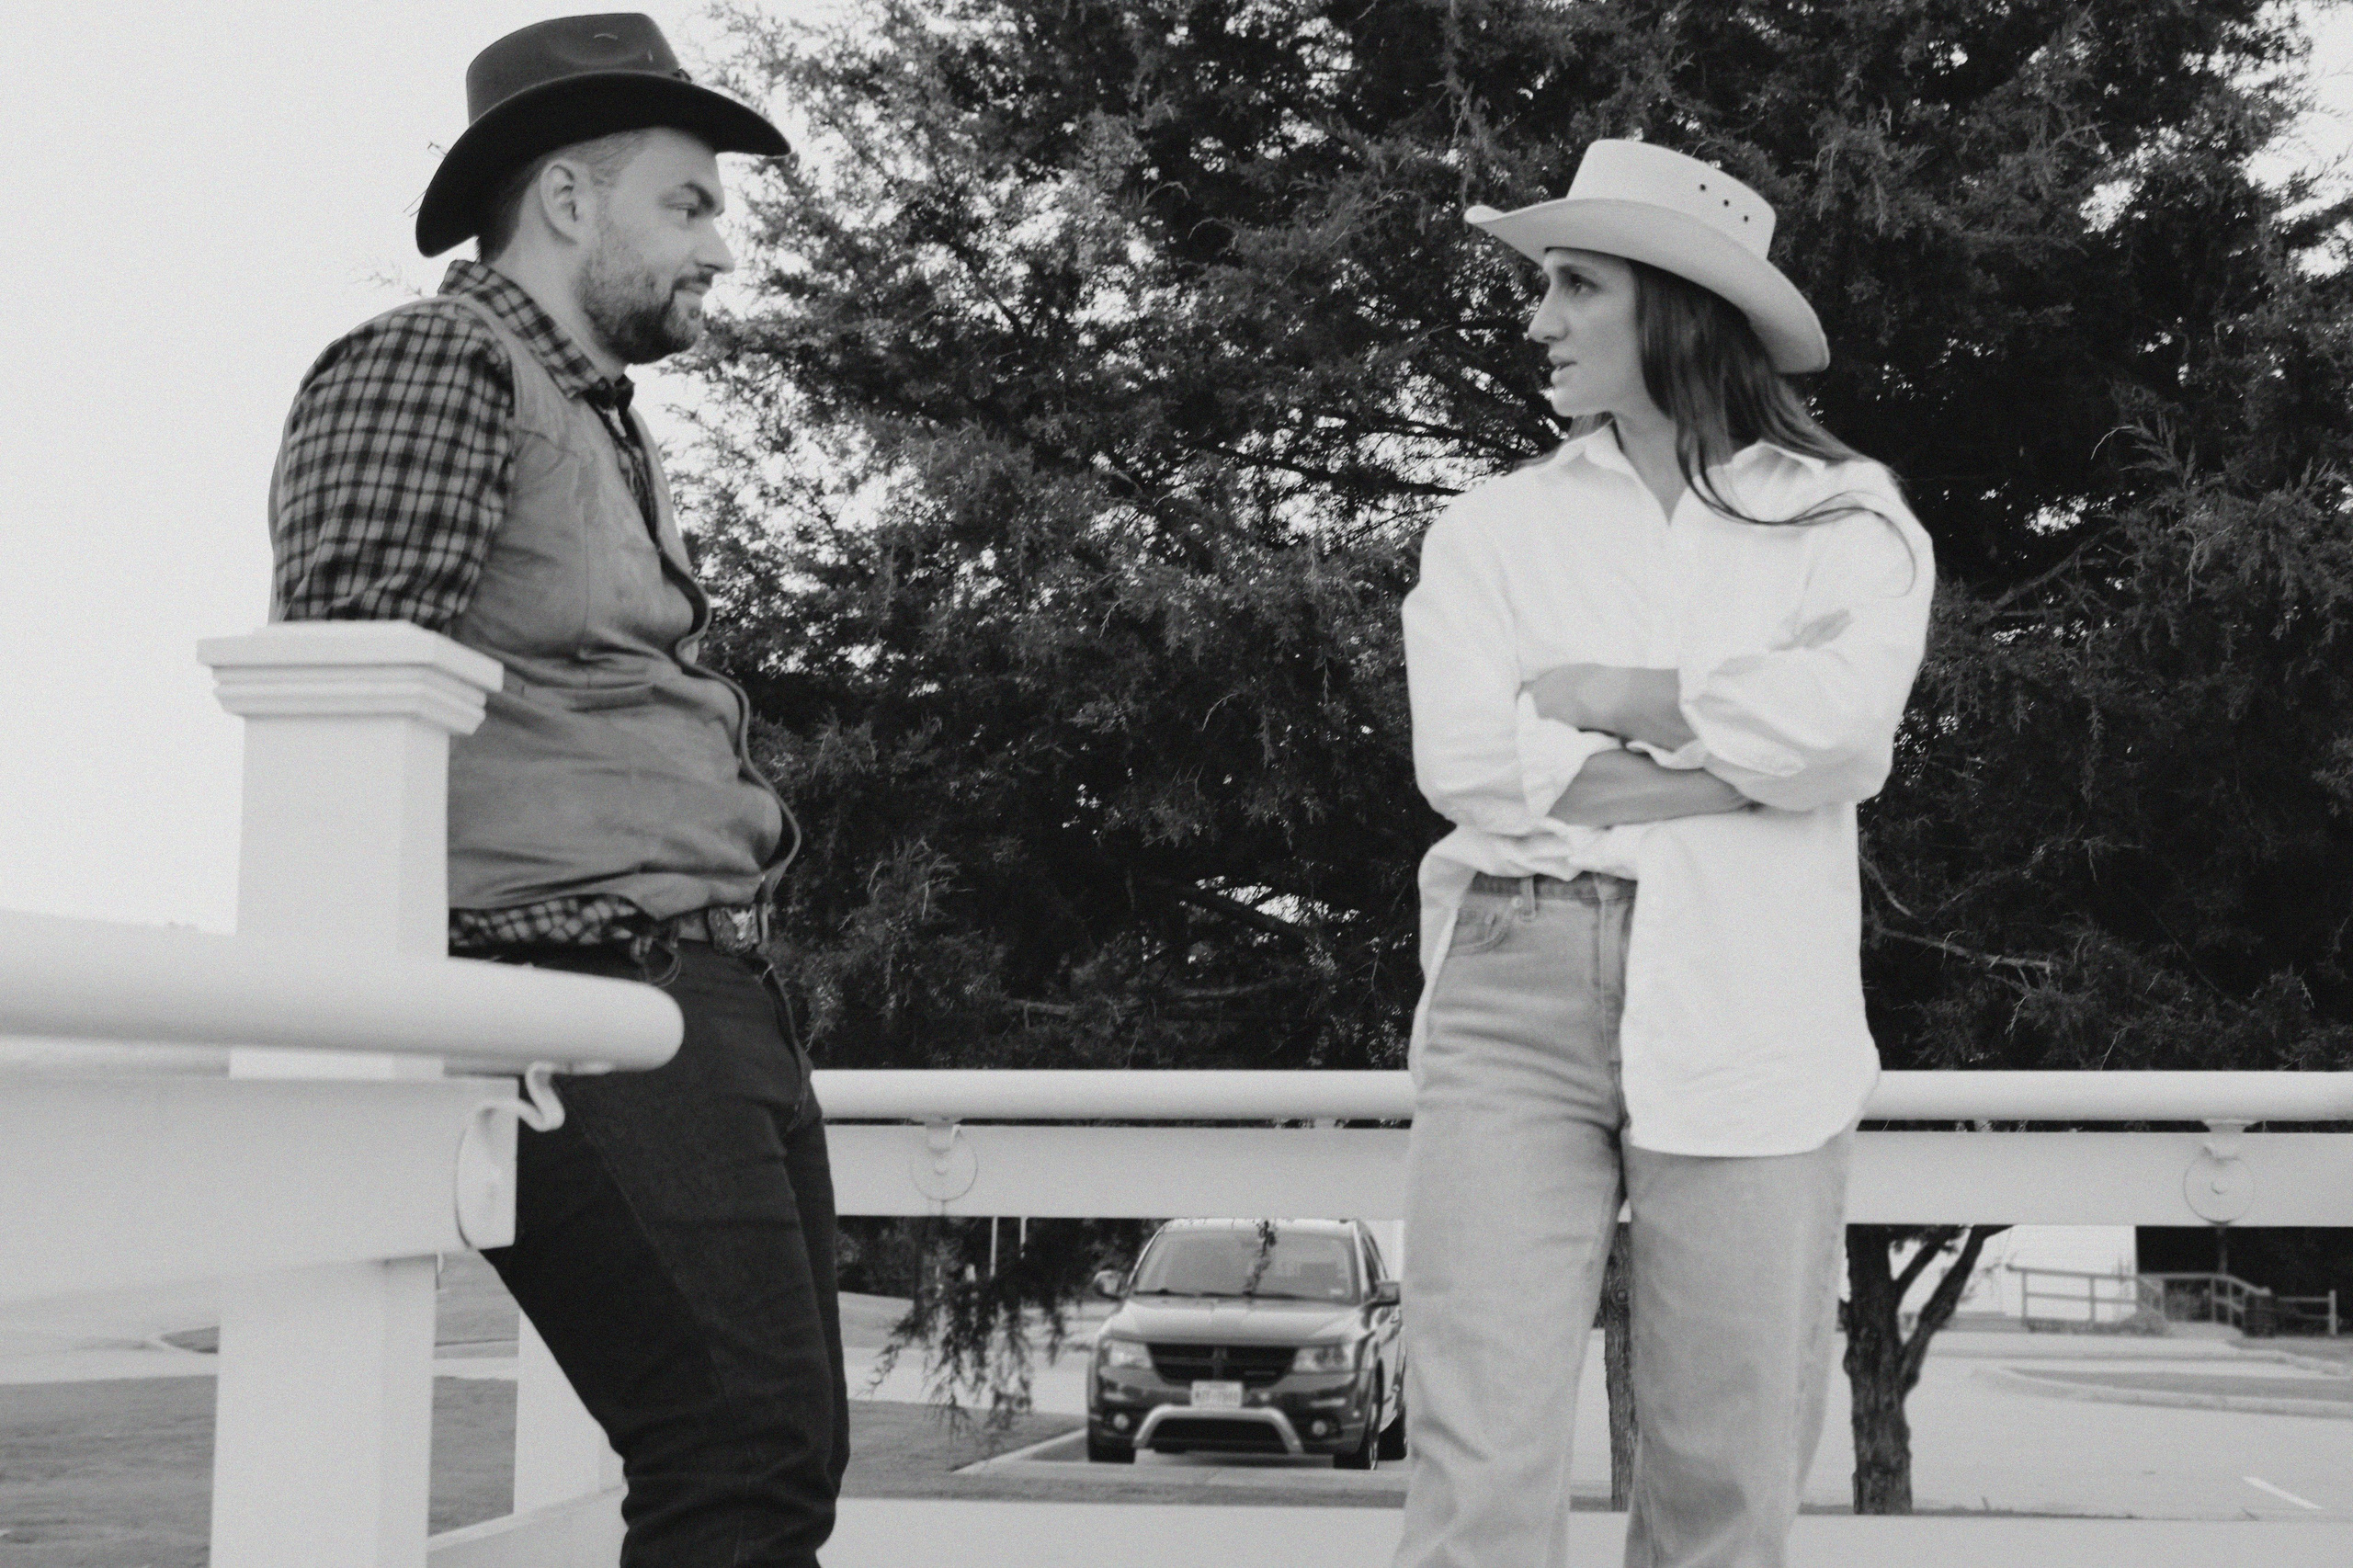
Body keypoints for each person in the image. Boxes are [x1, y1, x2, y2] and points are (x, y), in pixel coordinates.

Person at [267, 15, 847, 1564]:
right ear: (572, 200)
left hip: (697, 990)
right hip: (565, 985)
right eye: (692, 202)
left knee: (779, 1451)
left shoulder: (589, 409)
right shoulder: (432, 364)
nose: (721, 245)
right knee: (737, 1449)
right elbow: (342, 696)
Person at [1393, 140, 1935, 1568]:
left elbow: (1842, 738)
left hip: (1751, 993)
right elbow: (1468, 764)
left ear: (1677, 308)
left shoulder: (1846, 519)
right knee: (1478, 1462)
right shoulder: (1492, 530)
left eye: (1576, 285)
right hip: (1513, 974)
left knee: (1724, 1470)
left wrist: (1619, 700)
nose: (1538, 318)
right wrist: (1737, 774)